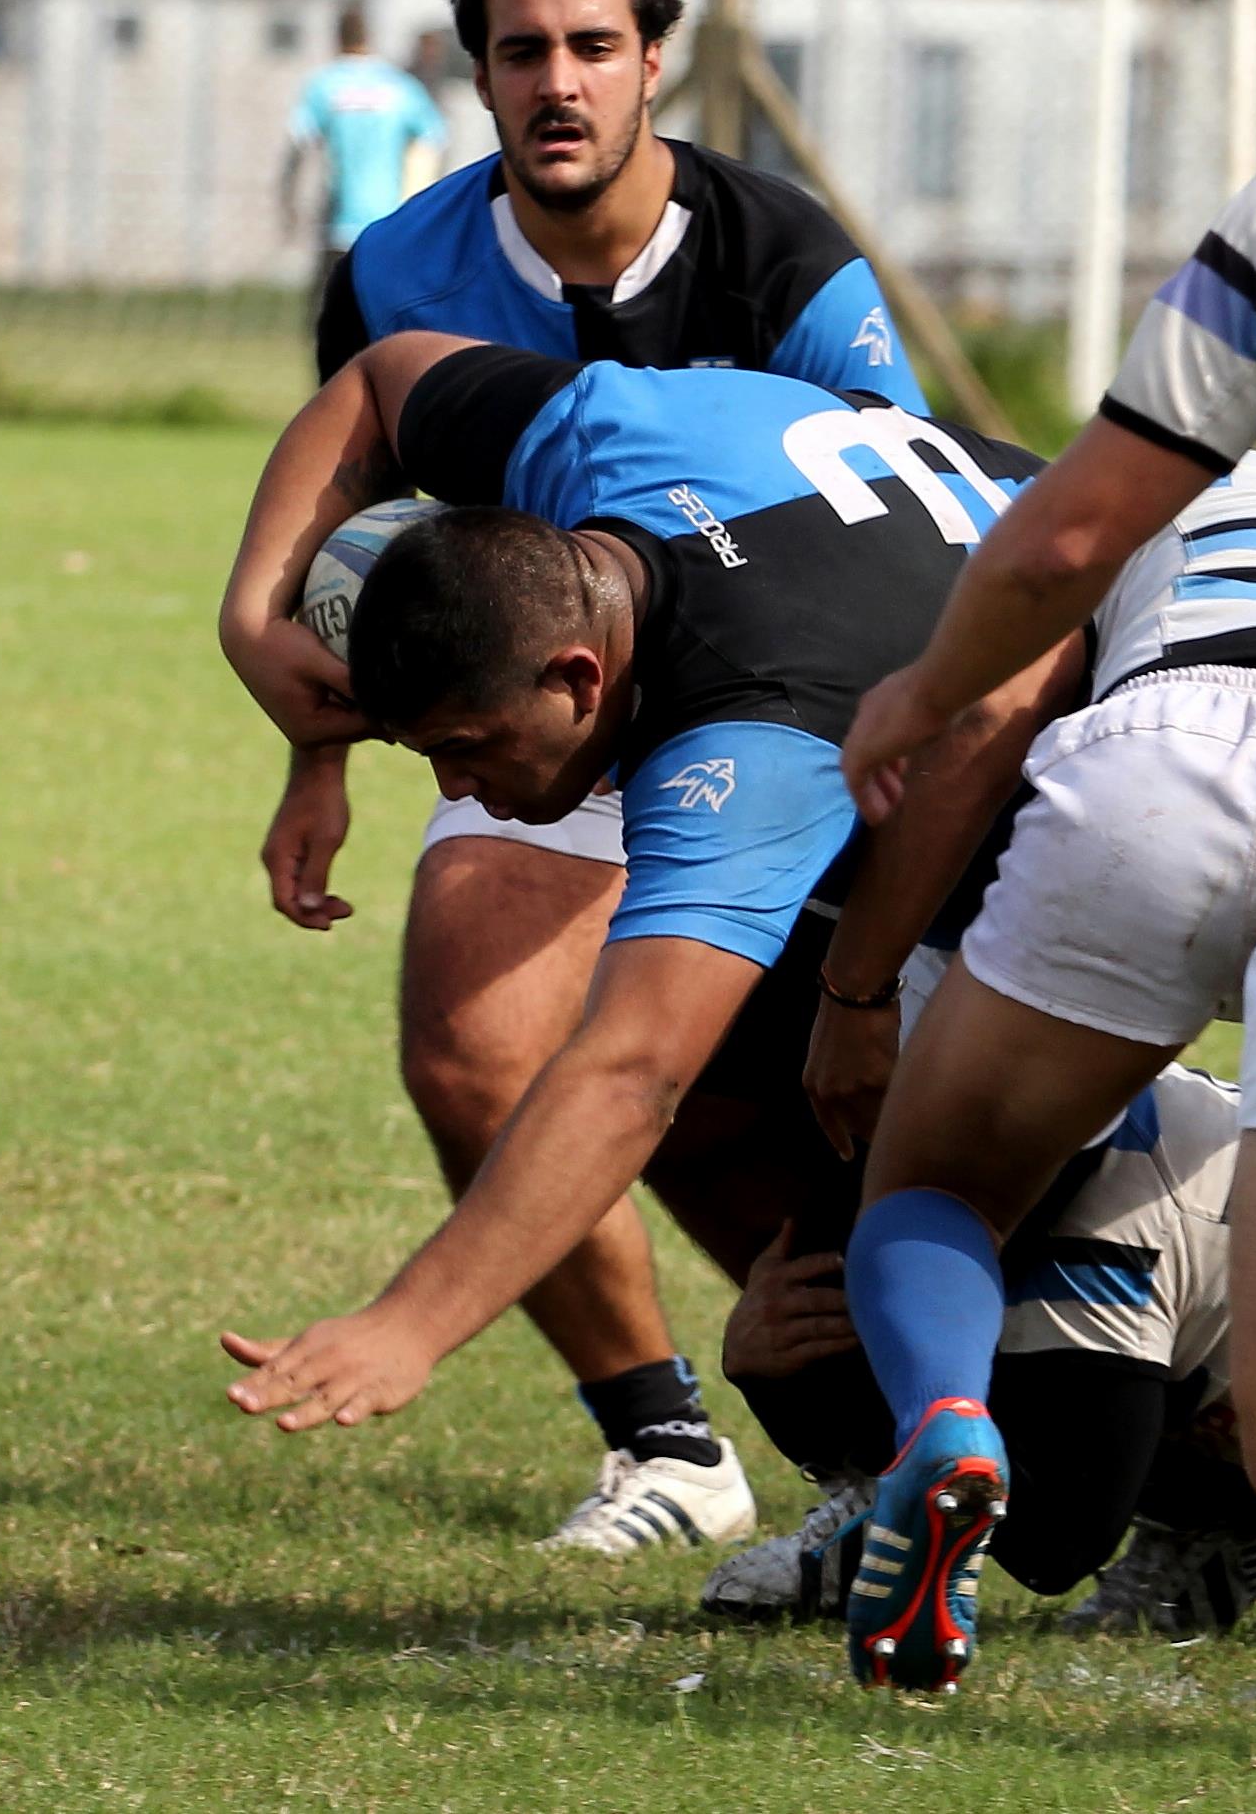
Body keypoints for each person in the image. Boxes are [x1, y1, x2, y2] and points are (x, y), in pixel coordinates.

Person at [267, 0, 927, 1552]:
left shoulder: (784, 253)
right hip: (529, 711)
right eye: (520, 51)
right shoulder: (401, 264)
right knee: (473, 1037)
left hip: (780, 715)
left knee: (741, 1077)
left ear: (653, 60)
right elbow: (367, 535)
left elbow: (900, 536)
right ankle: (664, 1437)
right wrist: (311, 737)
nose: (557, 82)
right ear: (474, 73)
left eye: (591, 47)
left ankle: (927, 1417)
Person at [216, 335, 1080, 1515]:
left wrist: (406, 1325)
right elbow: (383, 380)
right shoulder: (598, 439)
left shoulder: (746, 737)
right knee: (747, 1067)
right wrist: (251, 612)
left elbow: (629, 1077)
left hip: (1156, 762)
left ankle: (1205, 1456)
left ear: (577, 676)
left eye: (466, 749)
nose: (460, 792)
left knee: (1094, 1392)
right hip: (1075, 667)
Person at [834, 102, 1256, 1690]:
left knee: (935, 1184)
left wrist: (860, 969)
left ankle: (945, 1419)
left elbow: (1055, 564)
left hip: (1190, 768)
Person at [701, 1062, 1256, 1642]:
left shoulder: (1110, 1207)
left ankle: (1241, 1506)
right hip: (1096, 1187)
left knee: (1052, 1503)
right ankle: (892, 1491)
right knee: (801, 1323)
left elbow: (1057, 1546)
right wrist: (758, 1368)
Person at [282, 3, 448, 322]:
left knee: (328, 323)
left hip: (339, 222)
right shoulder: (399, 85)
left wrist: (287, 201)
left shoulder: (324, 84)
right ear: (369, 37)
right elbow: (435, 138)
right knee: (386, 320)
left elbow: (298, 147)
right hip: (391, 222)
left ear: (336, 37)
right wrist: (419, 199)